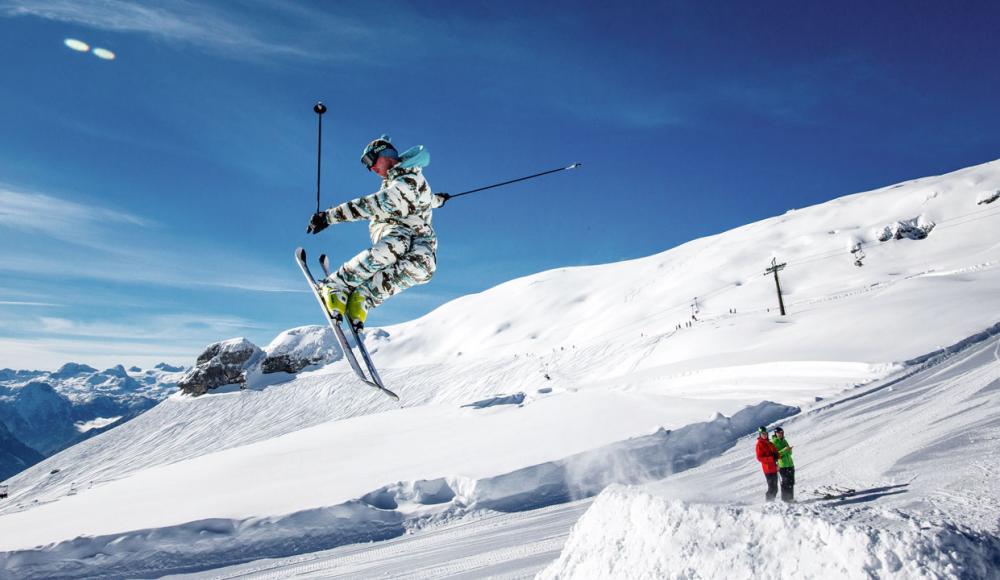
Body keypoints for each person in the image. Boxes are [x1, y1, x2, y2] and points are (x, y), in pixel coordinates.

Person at [306, 135, 449, 329]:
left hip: (420, 234)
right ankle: (337, 284)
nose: (371, 168)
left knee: (425, 265)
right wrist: (330, 216)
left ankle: (365, 294)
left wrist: (438, 200)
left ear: (386, 153)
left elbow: (425, 199)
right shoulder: (399, 184)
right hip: (390, 226)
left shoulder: (413, 180)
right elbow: (376, 204)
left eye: (371, 161)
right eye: (367, 166)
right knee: (398, 244)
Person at [755, 426, 780, 501]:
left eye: (766, 433)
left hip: (774, 468)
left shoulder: (770, 443)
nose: (765, 435)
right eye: (763, 434)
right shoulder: (759, 444)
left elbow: (776, 453)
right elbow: (759, 458)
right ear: (760, 435)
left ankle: (772, 503)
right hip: (768, 469)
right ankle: (768, 503)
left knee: (775, 488)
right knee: (771, 487)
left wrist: (777, 456)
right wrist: (771, 458)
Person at [771, 426, 795, 502]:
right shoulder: (774, 442)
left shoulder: (784, 441)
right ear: (775, 433)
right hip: (782, 465)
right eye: (778, 433)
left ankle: (790, 499)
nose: (780, 434)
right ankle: (785, 500)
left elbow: (790, 453)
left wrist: (789, 450)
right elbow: (775, 454)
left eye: (781, 432)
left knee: (791, 482)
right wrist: (784, 450)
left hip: (790, 464)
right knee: (785, 483)